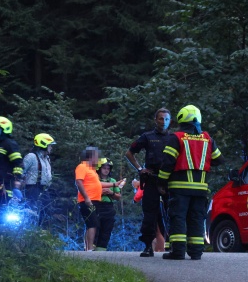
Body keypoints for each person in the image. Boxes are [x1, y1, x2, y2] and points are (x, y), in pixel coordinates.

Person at [157, 104, 222, 260]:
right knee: (196, 218)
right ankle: (196, 251)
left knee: (178, 217)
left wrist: (161, 182)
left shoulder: (176, 137)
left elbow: (167, 163)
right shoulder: (207, 138)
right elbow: (219, 159)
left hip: (179, 188)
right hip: (200, 188)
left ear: (181, 119)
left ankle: (178, 251)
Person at [125, 108, 171, 257]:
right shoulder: (147, 137)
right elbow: (129, 152)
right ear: (155, 120)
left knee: (173, 212)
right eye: (161, 119)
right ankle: (147, 246)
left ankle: (174, 245)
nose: (163, 122)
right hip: (151, 180)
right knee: (149, 214)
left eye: (166, 119)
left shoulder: (174, 138)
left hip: (169, 181)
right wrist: (140, 169)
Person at [75, 147, 126, 251]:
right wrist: (87, 198)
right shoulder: (82, 166)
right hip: (89, 200)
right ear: (91, 157)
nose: (98, 159)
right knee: (92, 224)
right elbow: (79, 182)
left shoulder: (92, 170)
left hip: (98, 202)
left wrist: (114, 184)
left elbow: (98, 184)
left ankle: (96, 250)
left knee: (96, 225)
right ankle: (89, 249)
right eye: (96, 156)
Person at [0, 116, 23, 204]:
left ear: (5, 129)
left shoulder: (9, 144)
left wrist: (17, 179)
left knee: (3, 208)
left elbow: (18, 164)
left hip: (6, 183)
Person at [23, 133, 55, 224]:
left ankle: (41, 232)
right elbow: (21, 171)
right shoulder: (31, 156)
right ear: (43, 144)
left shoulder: (47, 158)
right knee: (31, 211)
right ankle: (28, 229)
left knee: (46, 212)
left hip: (44, 189)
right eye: (50, 145)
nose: (51, 147)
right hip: (32, 188)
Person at [94, 158, 125, 251]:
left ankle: (101, 251)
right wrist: (100, 192)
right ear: (99, 168)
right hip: (96, 205)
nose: (106, 170)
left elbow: (118, 197)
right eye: (104, 168)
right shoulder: (94, 179)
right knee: (94, 228)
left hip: (108, 207)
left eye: (108, 168)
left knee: (106, 230)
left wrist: (110, 193)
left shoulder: (112, 180)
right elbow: (88, 191)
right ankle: (90, 251)